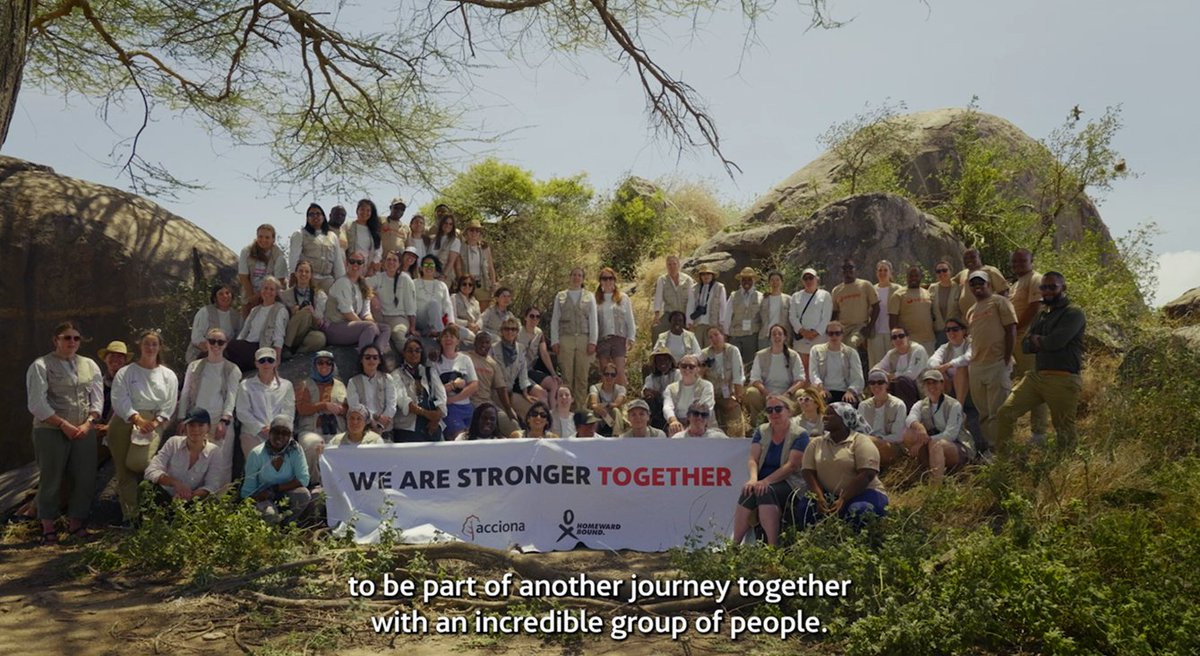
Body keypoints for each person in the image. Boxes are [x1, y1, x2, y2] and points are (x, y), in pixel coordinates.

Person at [25, 321, 104, 543]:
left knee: (84, 477)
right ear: (55, 340)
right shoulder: (41, 365)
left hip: (83, 429)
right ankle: (48, 527)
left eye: (76, 338)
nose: (72, 342)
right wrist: (62, 424)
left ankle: (76, 524)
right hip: (50, 429)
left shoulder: (89, 364)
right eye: (67, 337)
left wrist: (89, 423)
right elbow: (37, 404)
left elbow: (97, 398)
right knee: (51, 477)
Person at [995, 271, 1086, 456]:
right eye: (1044, 287)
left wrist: (1039, 340)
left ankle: (1066, 468)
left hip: (1063, 378)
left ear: (1063, 288)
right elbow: (1025, 345)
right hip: (1036, 377)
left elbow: (1055, 342)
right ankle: (1004, 460)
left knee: (1064, 430)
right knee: (1005, 413)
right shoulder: (1041, 315)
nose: (1047, 291)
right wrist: (1039, 341)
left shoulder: (1073, 313)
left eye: (1052, 287)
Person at [108, 330, 178, 525]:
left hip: (153, 421)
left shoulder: (168, 375)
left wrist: (154, 423)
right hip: (125, 419)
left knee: (140, 464)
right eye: (147, 343)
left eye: (154, 344)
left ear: (160, 347)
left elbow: (169, 404)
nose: (150, 347)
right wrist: (136, 419)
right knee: (124, 472)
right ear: (140, 345)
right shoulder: (126, 372)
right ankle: (131, 517)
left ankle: (156, 511)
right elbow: (119, 397)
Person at [731, 395, 809, 546]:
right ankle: (735, 544)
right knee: (748, 491)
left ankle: (772, 546)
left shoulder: (800, 434)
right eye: (769, 410)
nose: (774, 413)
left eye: (778, 409)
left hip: (790, 481)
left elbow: (792, 466)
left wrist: (766, 481)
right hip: (763, 480)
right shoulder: (762, 430)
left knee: (765, 491)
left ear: (789, 411)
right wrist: (753, 479)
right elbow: (753, 459)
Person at [795, 403, 888, 529]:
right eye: (825, 414)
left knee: (859, 511)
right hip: (830, 494)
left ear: (845, 419)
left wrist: (843, 499)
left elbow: (867, 474)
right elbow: (808, 471)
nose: (825, 417)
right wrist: (819, 496)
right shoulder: (817, 443)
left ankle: (863, 540)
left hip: (864, 492)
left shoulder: (861, 441)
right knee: (805, 508)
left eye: (830, 414)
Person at [176, 328, 240, 488]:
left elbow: (231, 396)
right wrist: (182, 418)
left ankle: (221, 498)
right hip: (195, 420)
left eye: (220, 342)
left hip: (220, 420)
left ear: (225, 344)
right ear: (206, 343)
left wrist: (224, 421)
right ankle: (192, 497)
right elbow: (185, 393)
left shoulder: (232, 369)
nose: (216, 345)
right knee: (193, 460)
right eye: (212, 341)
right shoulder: (194, 366)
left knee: (222, 463)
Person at [965, 271, 1017, 453]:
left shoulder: (1000, 302)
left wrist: (1006, 358)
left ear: (988, 284)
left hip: (997, 363)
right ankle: (991, 448)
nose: (977, 286)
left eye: (981, 282)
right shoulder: (971, 310)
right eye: (973, 284)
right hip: (977, 366)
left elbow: (1011, 330)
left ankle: (1003, 449)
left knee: (999, 411)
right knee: (984, 413)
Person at [901, 370, 974, 483]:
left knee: (936, 445)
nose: (931, 386)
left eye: (935, 382)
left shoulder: (954, 405)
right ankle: (923, 467)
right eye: (928, 383)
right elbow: (910, 419)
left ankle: (936, 486)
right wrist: (919, 427)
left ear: (942, 384)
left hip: (957, 446)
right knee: (908, 434)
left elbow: (951, 435)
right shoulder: (920, 404)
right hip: (931, 443)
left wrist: (925, 441)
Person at [1008, 248, 1049, 442]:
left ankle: (1039, 433)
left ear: (1031, 261)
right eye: (1015, 262)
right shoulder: (1016, 284)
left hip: (1028, 339)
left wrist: (1016, 328)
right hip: (1015, 341)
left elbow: (1034, 307)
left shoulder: (1036, 279)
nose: (1018, 265)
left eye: (1022, 261)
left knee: (1035, 384)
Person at [241, 416, 311, 524]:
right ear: (269, 433)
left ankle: (286, 526)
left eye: (285, 433)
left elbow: (304, 479)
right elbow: (247, 491)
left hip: (285, 493)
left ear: (290, 436)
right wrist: (258, 499)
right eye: (276, 432)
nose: (280, 436)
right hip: (262, 498)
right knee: (270, 515)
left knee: (303, 495)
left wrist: (274, 490)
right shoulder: (257, 454)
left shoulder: (295, 450)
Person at [145, 409, 222, 502]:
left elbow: (212, 485)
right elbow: (151, 470)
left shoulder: (214, 452)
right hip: (165, 495)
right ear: (185, 427)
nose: (196, 429)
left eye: (200, 425)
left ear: (208, 428)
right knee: (145, 486)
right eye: (191, 425)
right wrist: (175, 483)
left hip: (193, 500)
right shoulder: (173, 442)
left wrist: (191, 496)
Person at [295, 351, 347, 486]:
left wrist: (340, 410)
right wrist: (324, 405)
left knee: (346, 444)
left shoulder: (340, 385)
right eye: (320, 362)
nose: (325, 366)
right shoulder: (305, 384)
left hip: (336, 429)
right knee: (314, 444)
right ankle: (314, 483)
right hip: (311, 429)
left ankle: (341, 484)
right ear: (314, 365)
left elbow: (348, 408)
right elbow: (301, 409)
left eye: (329, 363)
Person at [550, 266, 598, 411]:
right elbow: (555, 320)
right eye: (574, 275)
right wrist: (555, 341)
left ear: (583, 279)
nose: (576, 278)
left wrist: (593, 341)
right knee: (566, 376)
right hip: (566, 338)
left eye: (579, 275)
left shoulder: (589, 296)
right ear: (570, 277)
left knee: (582, 376)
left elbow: (593, 320)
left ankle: (580, 410)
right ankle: (566, 409)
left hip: (584, 338)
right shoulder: (560, 296)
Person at [323, 250, 390, 353]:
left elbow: (366, 312)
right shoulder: (342, 282)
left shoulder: (363, 285)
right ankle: (363, 356)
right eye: (352, 261)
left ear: (363, 266)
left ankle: (376, 355)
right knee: (370, 327)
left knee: (385, 328)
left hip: (352, 326)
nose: (355, 265)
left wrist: (371, 321)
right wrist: (369, 325)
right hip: (335, 328)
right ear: (346, 264)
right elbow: (347, 313)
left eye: (359, 262)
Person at [236, 347, 296, 459]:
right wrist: (260, 429)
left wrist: (276, 430)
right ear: (256, 364)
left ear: (276, 363)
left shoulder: (286, 385)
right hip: (252, 433)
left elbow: (288, 412)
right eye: (262, 360)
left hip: (280, 432)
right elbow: (242, 412)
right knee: (256, 466)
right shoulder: (245, 385)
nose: (266, 364)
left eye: (270, 360)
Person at [744, 324, 806, 422]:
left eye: (780, 334)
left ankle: (793, 422)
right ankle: (758, 423)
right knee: (751, 392)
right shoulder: (761, 355)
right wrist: (767, 393)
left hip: (787, 394)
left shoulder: (794, 356)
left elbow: (800, 379)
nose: (777, 336)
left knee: (801, 393)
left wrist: (788, 393)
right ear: (770, 338)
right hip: (766, 394)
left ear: (785, 337)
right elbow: (755, 379)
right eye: (774, 334)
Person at [492, 317, 543, 436]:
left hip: (510, 392)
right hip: (496, 394)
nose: (510, 332)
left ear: (517, 332)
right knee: (513, 425)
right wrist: (508, 408)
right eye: (507, 329)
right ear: (501, 331)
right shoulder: (493, 348)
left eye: (513, 329)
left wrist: (526, 394)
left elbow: (523, 373)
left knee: (535, 412)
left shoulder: (520, 349)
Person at [392, 336, 448, 442]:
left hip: (433, 423)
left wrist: (436, 418)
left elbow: (442, 397)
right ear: (404, 353)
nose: (414, 354)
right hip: (408, 426)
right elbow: (403, 400)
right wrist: (428, 414)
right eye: (410, 351)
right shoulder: (396, 374)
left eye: (417, 351)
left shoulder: (430, 372)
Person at [227, 276, 288, 371]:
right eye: (265, 288)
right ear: (261, 290)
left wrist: (277, 358)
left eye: (271, 289)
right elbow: (244, 332)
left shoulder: (279, 310)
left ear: (276, 293)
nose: (268, 291)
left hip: (262, 347)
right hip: (247, 346)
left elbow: (279, 335)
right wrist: (238, 345)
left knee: (230, 346)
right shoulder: (255, 310)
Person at [288, 203, 346, 293]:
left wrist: (342, 281)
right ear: (307, 218)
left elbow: (338, 261)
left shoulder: (332, 236)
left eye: (318, 214)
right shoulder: (300, 234)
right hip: (308, 278)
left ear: (323, 217)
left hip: (327, 279)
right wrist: (293, 275)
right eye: (311, 214)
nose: (315, 216)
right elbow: (293, 257)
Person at [830, 259, 879, 365]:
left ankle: (855, 371)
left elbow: (876, 306)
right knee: (838, 351)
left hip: (859, 326)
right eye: (845, 268)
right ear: (841, 271)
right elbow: (835, 312)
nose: (848, 270)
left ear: (855, 269)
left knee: (851, 343)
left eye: (850, 267)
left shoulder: (865, 285)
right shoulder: (836, 290)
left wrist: (870, 326)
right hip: (843, 328)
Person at [433, 325, 478, 440]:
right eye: (445, 336)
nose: (448, 339)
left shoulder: (465, 359)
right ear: (440, 340)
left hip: (467, 406)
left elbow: (474, 385)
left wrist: (453, 399)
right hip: (449, 409)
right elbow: (435, 390)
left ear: (457, 341)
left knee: (473, 437)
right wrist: (453, 385)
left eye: (452, 336)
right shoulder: (435, 363)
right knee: (459, 437)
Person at [368, 249, 416, 356]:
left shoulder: (405, 279)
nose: (391, 262)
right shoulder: (379, 277)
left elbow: (411, 305)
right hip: (380, 317)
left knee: (397, 334)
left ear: (399, 264)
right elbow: (363, 285)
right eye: (389, 259)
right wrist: (372, 295)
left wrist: (412, 327)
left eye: (394, 260)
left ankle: (410, 357)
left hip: (398, 318)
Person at [700, 327, 746, 438]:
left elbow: (738, 376)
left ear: (723, 336)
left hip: (729, 394)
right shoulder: (704, 354)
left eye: (716, 335)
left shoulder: (732, 351)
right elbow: (699, 378)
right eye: (710, 337)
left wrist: (735, 399)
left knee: (735, 423)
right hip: (711, 396)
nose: (714, 339)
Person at [466, 331, 514, 434]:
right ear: (475, 343)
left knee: (512, 424)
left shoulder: (493, 364)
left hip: (486, 403)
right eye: (481, 342)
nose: (484, 345)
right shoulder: (465, 357)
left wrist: (509, 409)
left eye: (487, 342)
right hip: (469, 403)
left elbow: (501, 388)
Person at [859, 369, 908, 470]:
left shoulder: (898, 405)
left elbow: (898, 437)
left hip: (891, 446)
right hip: (867, 444)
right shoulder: (863, 406)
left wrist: (877, 439)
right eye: (872, 382)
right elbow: (860, 430)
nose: (876, 386)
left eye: (880, 382)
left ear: (887, 384)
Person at [595, 267, 637, 386]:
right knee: (605, 373)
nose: (608, 281)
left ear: (614, 280)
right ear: (600, 281)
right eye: (604, 278)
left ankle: (622, 396)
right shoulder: (595, 299)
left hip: (619, 338)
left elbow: (629, 319)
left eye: (610, 278)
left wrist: (631, 337)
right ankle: (607, 395)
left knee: (619, 372)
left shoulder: (623, 298)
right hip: (602, 340)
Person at [789, 268, 833, 378]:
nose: (808, 280)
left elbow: (826, 317)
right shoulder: (795, 296)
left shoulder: (825, 295)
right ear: (802, 281)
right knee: (803, 369)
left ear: (816, 279)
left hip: (819, 337)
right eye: (806, 278)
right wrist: (802, 331)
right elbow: (792, 316)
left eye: (811, 278)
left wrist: (815, 332)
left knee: (818, 369)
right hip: (801, 337)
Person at [346, 344, 398, 437]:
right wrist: (373, 420)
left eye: (375, 357)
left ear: (379, 361)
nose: (371, 360)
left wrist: (381, 423)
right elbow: (354, 406)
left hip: (385, 428)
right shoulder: (353, 382)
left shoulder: (387, 378)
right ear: (361, 360)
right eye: (367, 357)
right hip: (362, 429)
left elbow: (392, 404)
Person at [238, 224, 289, 317]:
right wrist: (252, 298)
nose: (263, 240)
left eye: (267, 237)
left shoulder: (278, 255)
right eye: (260, 236)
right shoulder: (246, 252)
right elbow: (243, 276)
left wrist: (262, 297)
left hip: (270, 296)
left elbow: (279, 281)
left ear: (273, 239)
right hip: (250, 295)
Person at [808, 321, 865, 404]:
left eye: (837, 333)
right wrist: (821, 388)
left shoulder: (851, 353)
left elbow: (858, 378)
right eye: (831, 333)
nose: (834, 336)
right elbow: (813, 374)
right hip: (823, 390)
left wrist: (850, 391)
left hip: (845, 391)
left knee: (851, 403)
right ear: (827, 335)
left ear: (842, 335)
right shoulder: (816, 350)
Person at [281, 260, 329, 355]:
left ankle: (296, 353)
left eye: (307, 272)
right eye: (300, 271)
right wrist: (291, 313)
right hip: (291, 332)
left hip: (307, 332)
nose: (303, 274)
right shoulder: (285, 295)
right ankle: (286, 346)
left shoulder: (318, 295)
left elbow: (319, 322)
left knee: (320, 338)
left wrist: (313, 313)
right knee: (305, 311)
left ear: (311, 275)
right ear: (295, 273)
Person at [873, 328, 929, 409]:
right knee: (877, 381)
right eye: (894, 337)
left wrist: (892, 376)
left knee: (902, 381)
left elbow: (912, 375)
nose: (898, 339)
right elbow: (876, 369)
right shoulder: (891, 353)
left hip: (918, 388)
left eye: (901, 336)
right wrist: (882, 375)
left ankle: (908, 410)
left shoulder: (918, 350)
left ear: (907, 337)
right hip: (897, 387)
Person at [185, 283, 243, 362]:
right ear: (215, 298)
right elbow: (196, 337)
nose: (225, 296)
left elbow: (239, 336)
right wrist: (214, 350)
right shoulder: (205, 312)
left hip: (228, 354)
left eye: (227, 293)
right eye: (221, 294)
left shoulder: (237, 316)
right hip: (204, 352)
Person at [412, 254, 456, 354]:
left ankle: (437, 331)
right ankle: (441, 336)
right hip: (420, 320)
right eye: (426, 265)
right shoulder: (414, 283)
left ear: (435, 268)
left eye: (431, 265)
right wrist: (412, 327)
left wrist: (451, 322)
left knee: (465, 333)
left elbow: (447, 306)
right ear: (421, 268)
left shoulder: (441, 285)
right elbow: (410, 305)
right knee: (434, 303)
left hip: (438, 320)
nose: (429, 267)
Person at [663, 354, 716, 436]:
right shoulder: (670, 388)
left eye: (691, 366)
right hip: (679, 426)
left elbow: (706, 407)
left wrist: (691, 425)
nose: (687, 369)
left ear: (697, 369)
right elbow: (667, 407)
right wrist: (673, 421)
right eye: (684, 366)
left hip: (703, 425)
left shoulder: (706, 386)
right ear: (679, 368)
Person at [868, 260, 905, 370]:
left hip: (893, 333)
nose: (882, 273)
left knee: (895, 362)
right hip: (876, 333)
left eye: (885, 270)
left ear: (890, 272)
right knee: (877, 363)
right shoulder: (871, 289)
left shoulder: (898, 289)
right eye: (880, 270)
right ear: (876, 272)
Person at [890, 265, 936, 354]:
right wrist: (898, 339)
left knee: (929, 363)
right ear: (907, 277)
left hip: (929, 340)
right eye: (911, 276)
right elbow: (892, 320)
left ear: (921, 277)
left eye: (916, 276)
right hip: (909, 341)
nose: (913, 278)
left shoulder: (927, 293)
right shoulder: (898, 295)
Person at [723, 267, 762, 371]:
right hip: (735, 334)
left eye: (749, 279)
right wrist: (725, 334)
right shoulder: (733, 296)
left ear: (754, 281)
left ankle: (748, 381)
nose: (746, 282)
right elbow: (727, 315)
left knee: (750, 363)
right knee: (734, 362)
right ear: (740, 281)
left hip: (751, 335)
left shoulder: (760, 296)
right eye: (744, 279)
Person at [519, 305, 560, 401]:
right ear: (525, 317)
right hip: (519, 372)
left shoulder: (539, 333)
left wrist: (554, 374)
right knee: (542, 393)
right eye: (531, 316)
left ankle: (553, 410)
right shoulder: (517, 332)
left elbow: (544, 354)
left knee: (554, 384)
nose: (534, 319)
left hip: (530, 370)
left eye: (537, 317)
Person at [955, 248, 1009, 318]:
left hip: (987, 317)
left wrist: (1003, 314)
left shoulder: (991, 271)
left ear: (979, 257)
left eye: (972, 257)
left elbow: (1003, 293)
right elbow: (948, 281)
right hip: (967, 319)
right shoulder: (963, 273)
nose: (969, 260)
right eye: (966, 258)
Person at [651, 255, 694, 342]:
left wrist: (690, 319)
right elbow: (658, 298)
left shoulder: (687, 280)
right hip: (670, 313)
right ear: (666, 266)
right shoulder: (662, 280)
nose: (672, 267)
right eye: (669, 264)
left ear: (679, 265)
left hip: (684, 313)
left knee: (688, 335)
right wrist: (656, 315)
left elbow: (691, 300)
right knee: (656, 329)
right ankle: (658, 350)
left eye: (674, 264)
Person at [928, 317, 972, 401]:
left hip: (969, 384)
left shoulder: (970, 343)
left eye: (955, 329)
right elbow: (932, 360)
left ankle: (959, 406)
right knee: (937, 372)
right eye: (948, 330)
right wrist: (938, 367)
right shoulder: (945, 347)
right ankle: (942, 404)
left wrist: (948, 365)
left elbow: (968, 357)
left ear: (963, 331)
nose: (951, 333)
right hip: (949, 384)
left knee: (961, 368)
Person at [459, 220, 499, 309]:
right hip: (466, 284)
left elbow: (491, 267)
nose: (474, 233)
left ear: (480, 233)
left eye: (477, 231)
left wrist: (493, 283)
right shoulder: (461, 247)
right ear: (466, 232)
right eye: (471, 230)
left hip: (482, 283)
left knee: (483, 311)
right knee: (468, 310)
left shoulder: (485, 248)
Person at [686, 263, 727, 349]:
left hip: (713, 324)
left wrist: (722, 324)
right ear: (700, 276)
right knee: (696, 349)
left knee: (711, 349)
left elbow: (723, 306)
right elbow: (690, 305)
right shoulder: (694, 288)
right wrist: (689, 323)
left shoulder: (719, 287)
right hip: (697, 325)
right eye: (703, 274)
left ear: (712, 275)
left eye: (708, 274)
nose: (706, 276)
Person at [97, 340, 130, 443]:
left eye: (119, 356)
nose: (115, 359)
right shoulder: (99, 382)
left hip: (121, 432)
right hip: (98, 431)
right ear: (105, 359)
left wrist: (110, 426)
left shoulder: (130, 383)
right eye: (112, 355)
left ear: (125, 360)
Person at [641, 348, 680, 430]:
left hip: (675, 405)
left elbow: (676, 391)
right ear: (655, 363)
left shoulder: (678, 374)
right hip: (657, 407)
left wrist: (659, 394)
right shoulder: (651, 377)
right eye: (659, 360)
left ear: (670, 362)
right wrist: (650, 393)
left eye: (665, 360)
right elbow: (646, 391)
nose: (662, 363)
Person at [588, 362, 628, 437]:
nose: (609, 377)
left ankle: (617, 436)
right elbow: (593, 404)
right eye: (606, 374)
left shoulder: (621, 389)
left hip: (613, 418)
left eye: (612, 375)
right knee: (594, 412)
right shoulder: (594, 388)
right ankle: (591, 437)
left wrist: (605, 407)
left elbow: (617, 403)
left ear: (616, 377)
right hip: (599, 416)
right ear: (602, 375)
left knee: (616, 411)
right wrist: (600, 409)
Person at [345, 199, 383, 274]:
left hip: (369, 268)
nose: (365, 212)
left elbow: (378, 250)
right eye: (362, 209)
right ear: (357, 211)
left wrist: (372, 267)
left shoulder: (374, 230)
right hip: (352, 266)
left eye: (368, 210)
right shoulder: (348, 226)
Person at [929, 259, 960, 347]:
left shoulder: (958, 287)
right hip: (939, 331)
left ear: (950, 271)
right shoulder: (932, 288)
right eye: (938, 271)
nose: (942, 273)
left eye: (944, 270)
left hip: (955, 330)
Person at [758, 271, 791, 348]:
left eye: (777, 280)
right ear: (769, 282)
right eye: (772, 280)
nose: (775, 282)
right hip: (765, 336)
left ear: (782, 282)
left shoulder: (788, 299)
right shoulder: (763, 299)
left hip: (782, 337)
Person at [452, 274, 483, 346]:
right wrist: (467, 324)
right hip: (461, 328)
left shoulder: (475, 302)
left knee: (494, 338)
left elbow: (480, 319)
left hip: (475, 330)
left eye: (470, 284)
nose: (467, 286)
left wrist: (477, 326)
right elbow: (453, 319)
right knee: (473, 337)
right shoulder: (454, 298)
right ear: (459, 285)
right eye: (464, 284)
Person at [431, 213, 462, 279]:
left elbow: (451, 262)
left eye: (450, 224)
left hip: (444, 277)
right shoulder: (432, 239)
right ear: (441, 224)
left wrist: (443, 276)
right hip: (429, 274)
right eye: (445, 223)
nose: (448, 225)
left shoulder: (455, 241)